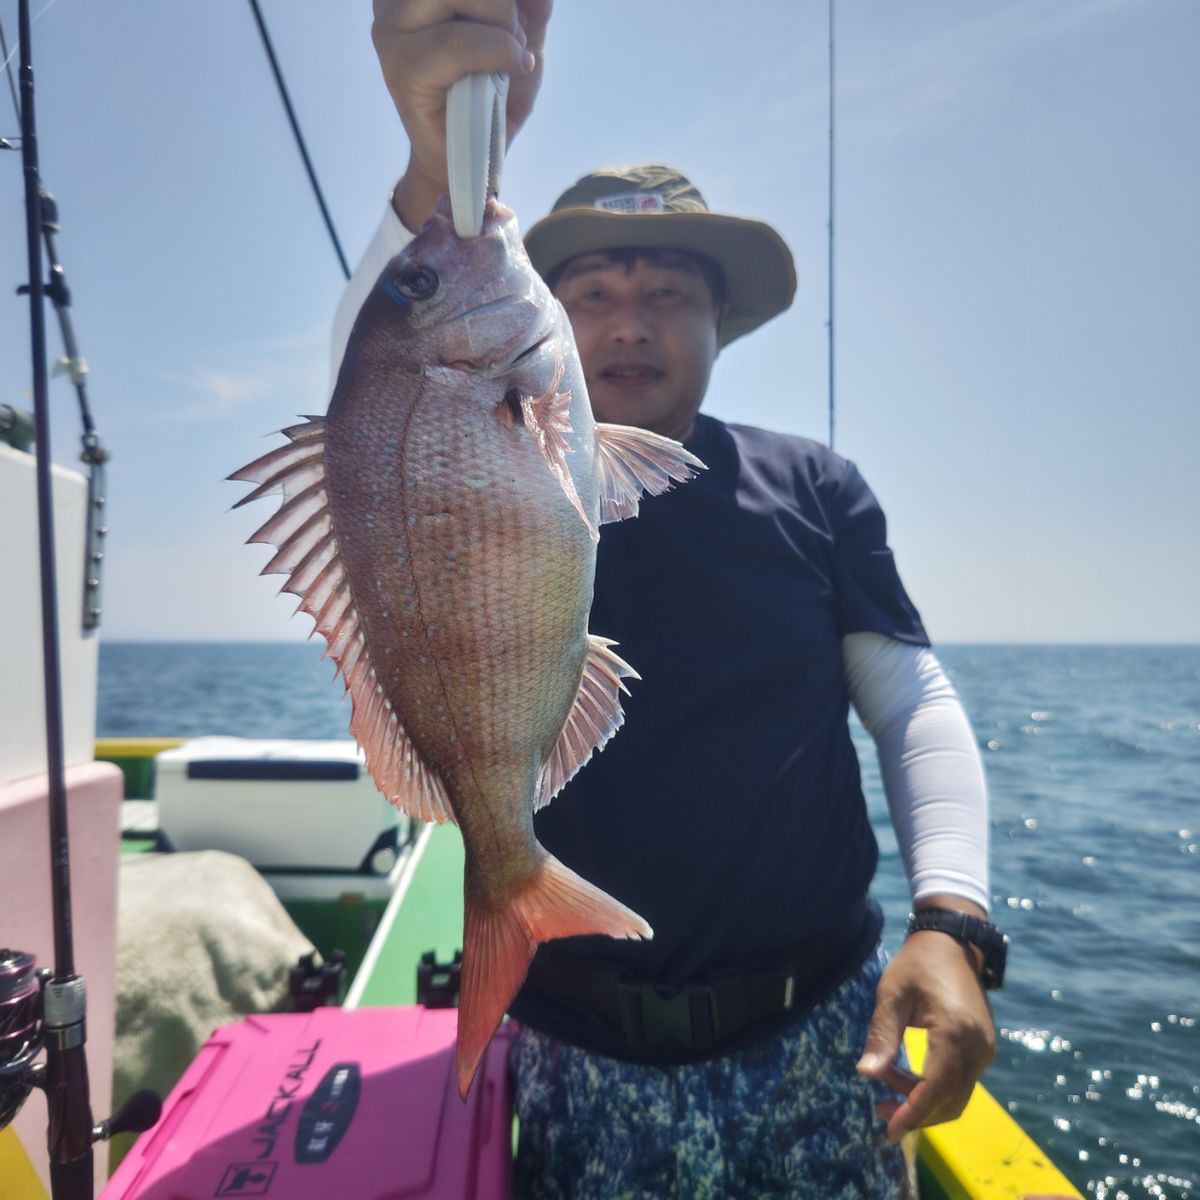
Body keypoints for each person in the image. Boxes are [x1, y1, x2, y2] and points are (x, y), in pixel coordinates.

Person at [338, 4, 1007, 1197]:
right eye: (591, 291)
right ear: (543, 309)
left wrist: (951, 920)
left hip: (822, 1037)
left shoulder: (815, 485)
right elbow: (379, 393)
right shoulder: (491, 438)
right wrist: (435, 157)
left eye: (669, 294)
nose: (631, 322)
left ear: (720, 323)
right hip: (572, 1047)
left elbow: (910, 701)